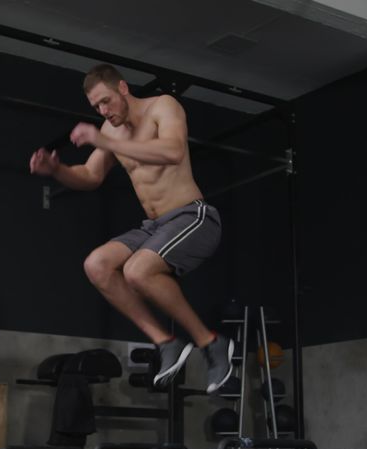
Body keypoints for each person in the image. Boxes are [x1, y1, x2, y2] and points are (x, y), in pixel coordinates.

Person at [28, 63, 233, 394]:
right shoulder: (111, 133)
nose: (104, 112)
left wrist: (102, 139)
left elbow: (172, 151)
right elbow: (91, 176)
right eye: (96, 107)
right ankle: (166, 343)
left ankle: (211, 342)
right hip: (153, 226)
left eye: (106, 101)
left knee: (138, 271)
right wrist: (57, 169)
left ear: (123, 88)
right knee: (97, 265)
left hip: (193, 217)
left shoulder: (162, 106)